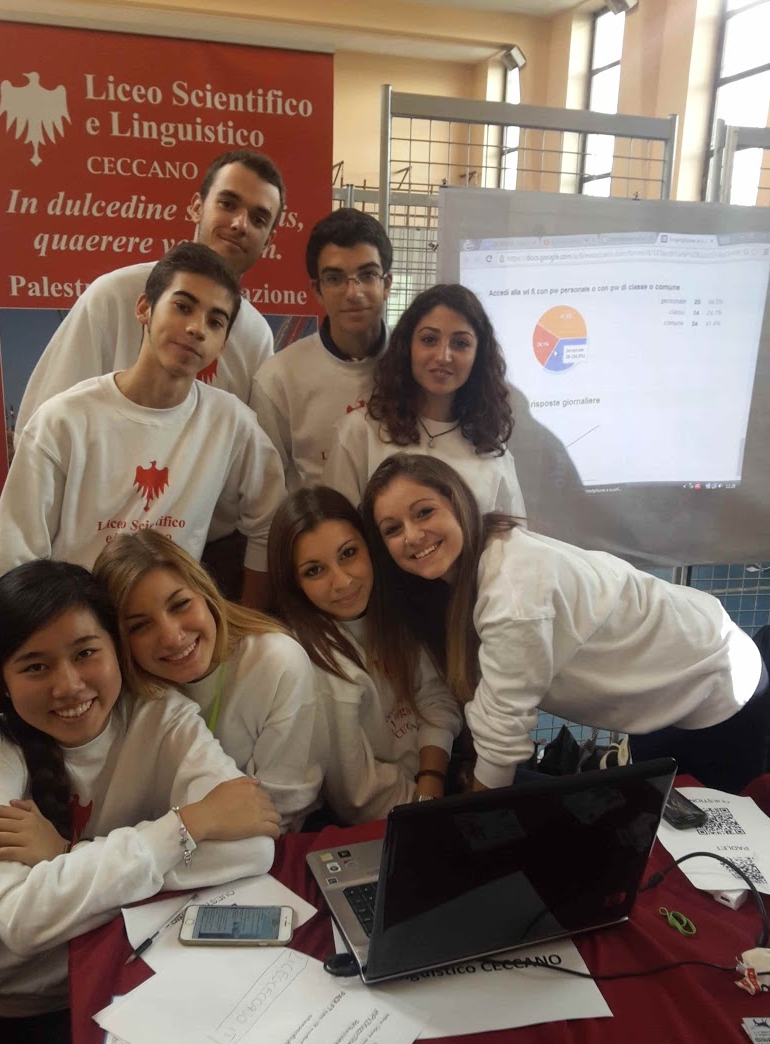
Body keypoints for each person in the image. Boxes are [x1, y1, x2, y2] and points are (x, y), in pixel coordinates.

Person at [0, 560, 278, 1044]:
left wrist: (68, 855)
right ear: (0, 681)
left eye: (85, 653)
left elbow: (253, 848)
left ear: (117, 650)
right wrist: (188, 825)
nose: (69, 685)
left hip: (120, 971)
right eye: (35, 667)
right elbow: (21, 920)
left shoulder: (163, 716)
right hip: (9, 1002)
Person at [361, 453, 770, 796]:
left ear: (457, 502)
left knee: (696, 857)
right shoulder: (469, 571)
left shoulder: (512, 591)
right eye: (393, 529)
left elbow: (503, 736)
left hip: (718, 688)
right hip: (670, 692)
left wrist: (467, 825)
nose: (412, 535)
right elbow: (489, 705)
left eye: (424, 512)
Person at [0, 242, 285, 607]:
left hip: (171, 627)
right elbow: (9, 564)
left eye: (215, 322)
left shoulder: (231, 423)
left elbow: (270, 521)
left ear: (222, 344)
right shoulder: (61, 423)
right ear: (144, 309)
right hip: (79, 622)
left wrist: (248, 619)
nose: (196, 328)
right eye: (183, 306)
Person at [15, 149, 284, 436]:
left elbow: (252, 448)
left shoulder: (256, 336)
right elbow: (41, 431)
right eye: (227, 204)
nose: (240, 224)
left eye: (258, 219)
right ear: (197, 207)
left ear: (269, 240)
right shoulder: (113, 296)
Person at [94, 531, 327, 833]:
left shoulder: (277, 662)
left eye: (180, 605)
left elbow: (275, 814)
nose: (172, 637)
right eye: (140, 626)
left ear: (206, 593)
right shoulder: (118, 692)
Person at [266, 485, 461, 823]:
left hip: (436, 777)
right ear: (293, 583)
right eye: (314, 570)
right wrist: (428, 807)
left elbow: (434, 696)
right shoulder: (311, 663)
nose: (342, 582)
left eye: (348, 553)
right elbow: (358, 797)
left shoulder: (390, 609)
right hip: (394, 816)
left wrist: (432, 780)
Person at [324, 283, 525, 519]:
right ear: (407, 346)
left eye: (460, 343)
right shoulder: (359, 434)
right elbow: (334, 531)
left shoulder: (489, 446)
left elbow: (511, 537)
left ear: (478, 355)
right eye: (429, 339)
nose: (443, 356)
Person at [251, 208, 392, 489]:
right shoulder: (279, 378)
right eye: (335, 278)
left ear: (386, 284)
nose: (353, 293)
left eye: (367, 275)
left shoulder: (415, 365)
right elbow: (266, 490)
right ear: (317, 290)